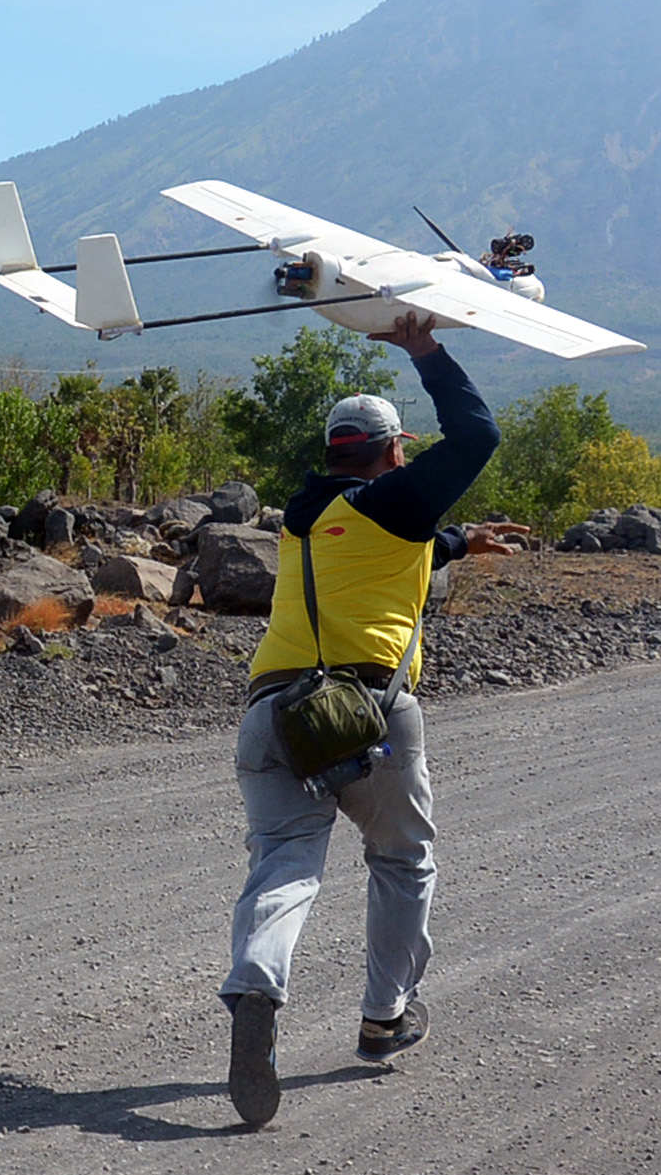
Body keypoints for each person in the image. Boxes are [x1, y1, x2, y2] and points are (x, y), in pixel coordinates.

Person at [221, 313, 533, 1126]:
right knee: (401, 860)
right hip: (370, 716)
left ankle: (257, 985)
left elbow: (382, 543)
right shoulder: (394, 502)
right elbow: (477, 434)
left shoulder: (302, 515)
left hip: (273, 715)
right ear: (394, 452)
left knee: (286, 862)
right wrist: (422, 347)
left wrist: (460, 541)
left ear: (333, 452)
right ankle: (384, 1017)